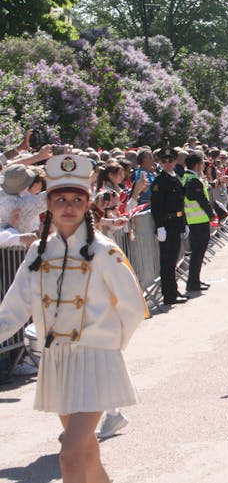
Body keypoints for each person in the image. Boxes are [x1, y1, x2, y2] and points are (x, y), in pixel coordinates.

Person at [0, 153, 146, 483]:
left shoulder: (103, 250)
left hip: (97, 359)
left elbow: (133, 306)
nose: (69, 207)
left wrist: (109, 345)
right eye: (61, 199)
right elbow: (13, 309)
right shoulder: (38, 252)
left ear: (87, 203)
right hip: (57, 361)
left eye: (77, 200)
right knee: (87, 456)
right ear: (48, 205)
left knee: (69, 456)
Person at [149, 147, 187, 305]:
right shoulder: (160, 181)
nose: (167, 163)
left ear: (175, 161)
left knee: (173, 261)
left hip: (176, 223)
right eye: (164, 161)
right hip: (166, 224)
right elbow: (156, 206)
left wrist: (184, 223)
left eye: (170, 160)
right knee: (167, 262)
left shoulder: (175, 177)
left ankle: (173, 290)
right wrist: (159, 226)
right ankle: (169, 295)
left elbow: (180, 203)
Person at [181, 152, 215, 293]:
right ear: (196, 165)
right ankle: (193, 283)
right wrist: (211, 215)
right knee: (198, 253)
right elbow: (202, 200)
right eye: (202, 163)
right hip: (199, 220)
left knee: (197, 253)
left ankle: (195, 280)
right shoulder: (193, 180)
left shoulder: (186, 178)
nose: (204, 166)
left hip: (193, 220)